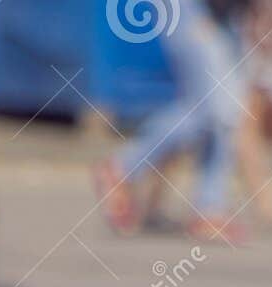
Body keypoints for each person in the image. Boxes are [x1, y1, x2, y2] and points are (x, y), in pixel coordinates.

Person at [94, 0, 250, 242]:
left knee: (226, 107)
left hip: (224, 11)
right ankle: (123, 167)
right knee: (212, 108)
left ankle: (209, 208)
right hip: (193, 8)